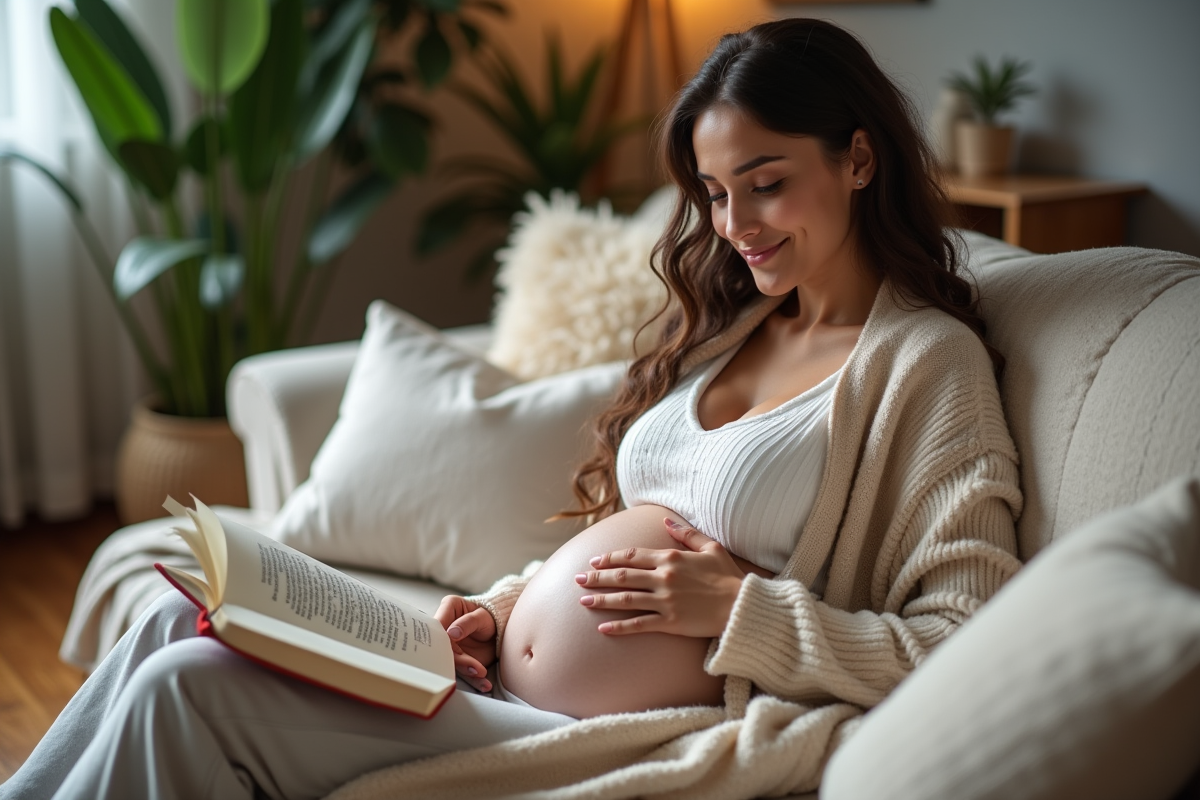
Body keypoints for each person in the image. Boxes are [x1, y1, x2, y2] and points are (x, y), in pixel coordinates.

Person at [2, 17, 1023, 800]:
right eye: (714, 193)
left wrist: (738, 612)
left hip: (611, 733)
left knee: (186, 688)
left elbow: (970, 639)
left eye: (765, 183)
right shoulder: (736, 324)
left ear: (856, 158)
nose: (735, 226)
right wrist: (498, 607)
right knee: (172, 611)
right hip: (499, 677)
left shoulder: (925, 365)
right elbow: (620, 550)